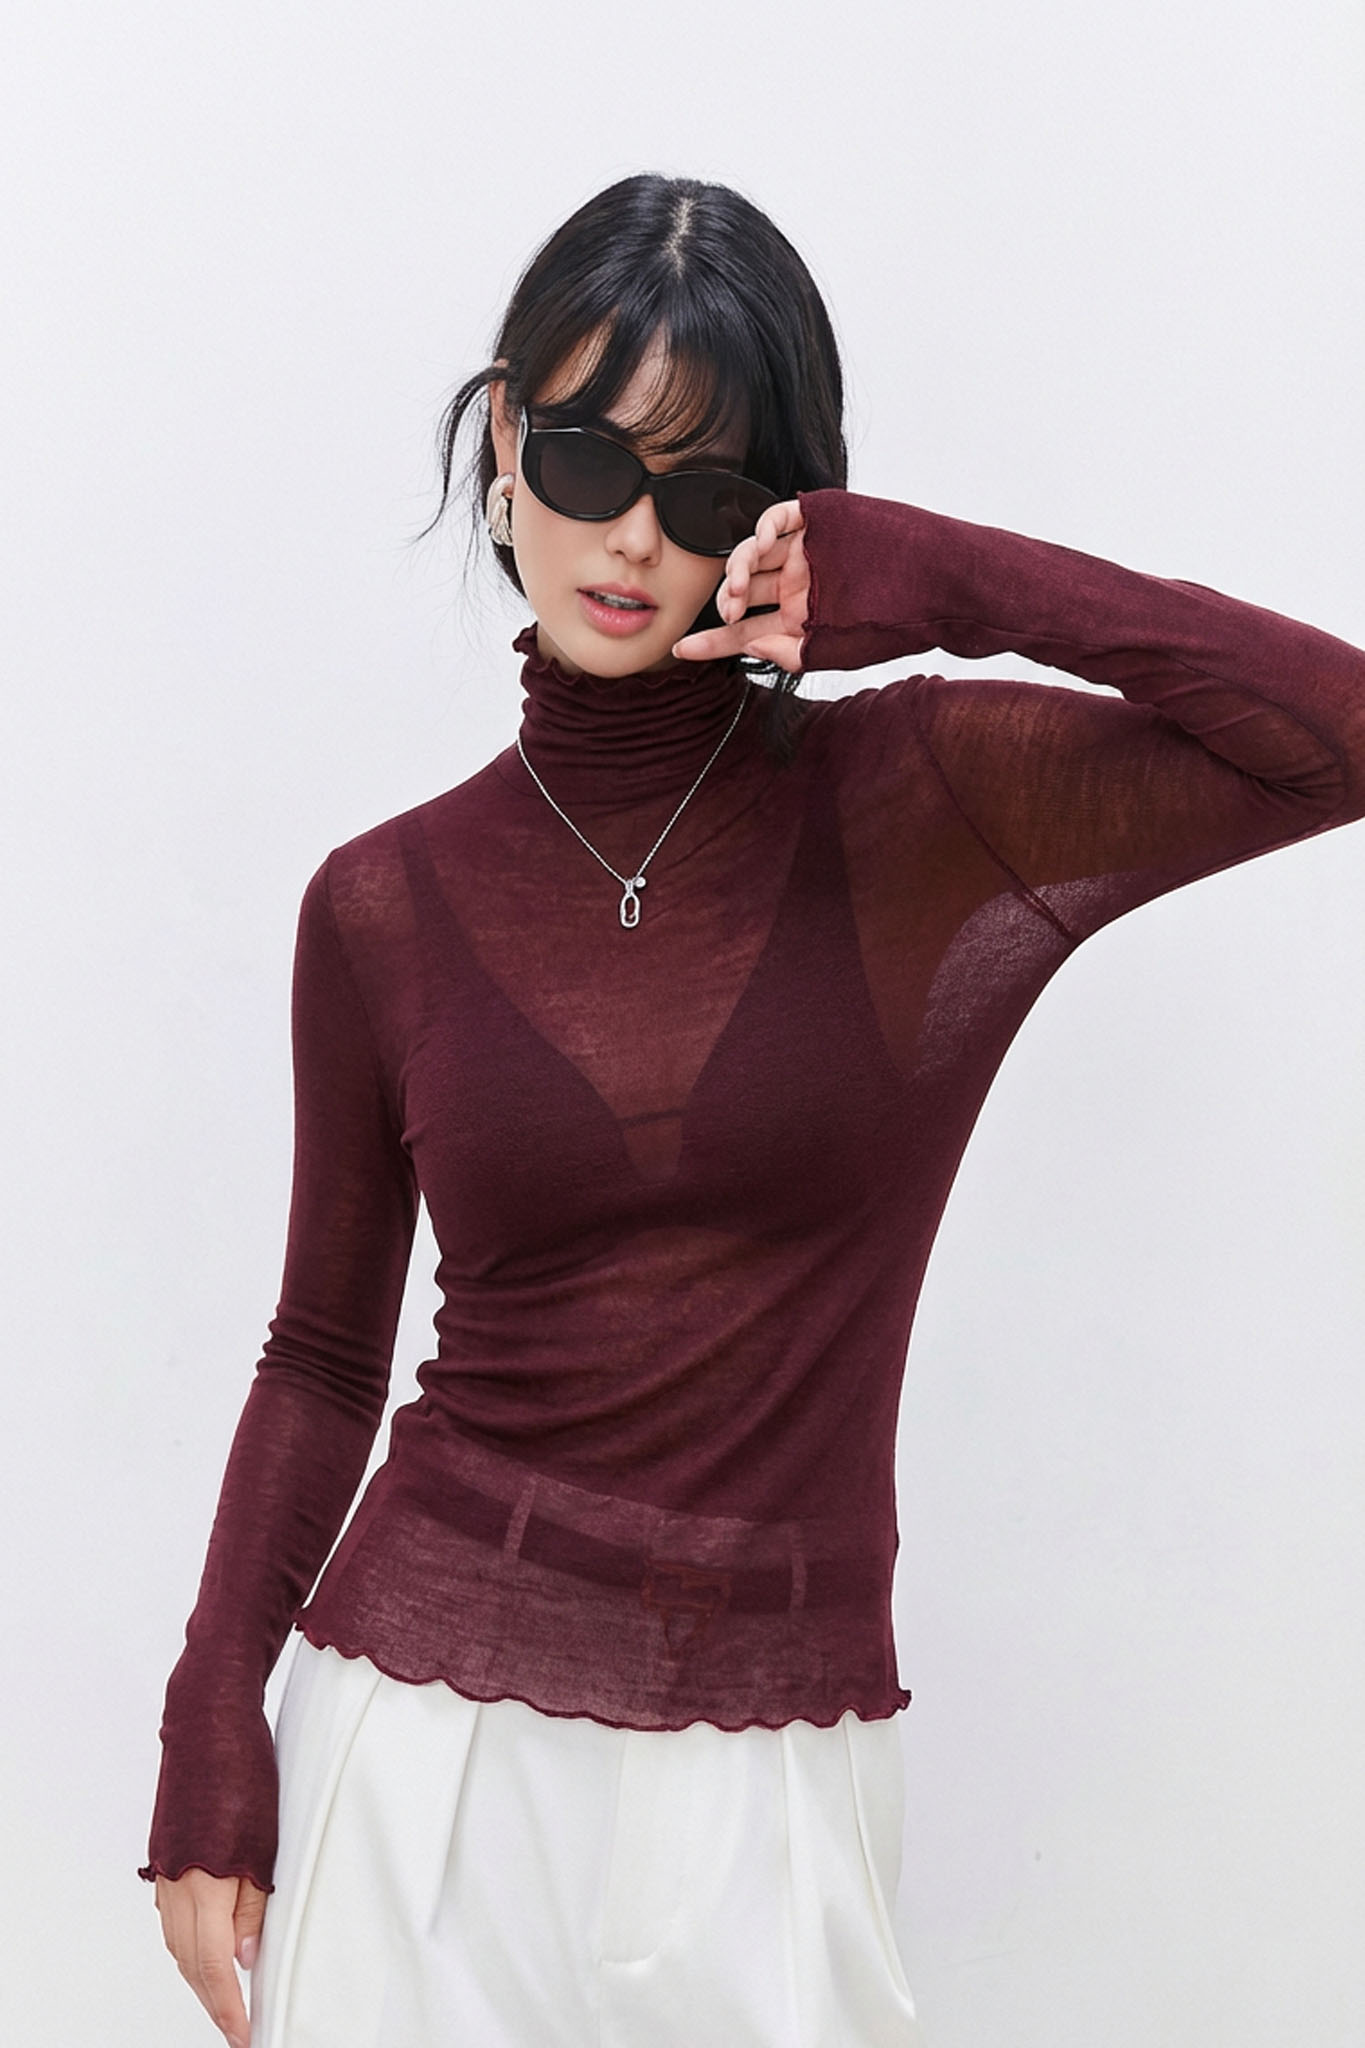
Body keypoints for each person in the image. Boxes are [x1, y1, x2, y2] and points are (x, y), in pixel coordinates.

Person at [140, 172, 1365, 2048]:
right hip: (422, 1749)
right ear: (502, 441)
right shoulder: (379, 904)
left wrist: (950, 581)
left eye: (707, 492)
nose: (633, 537)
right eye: (586, 459)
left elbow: (1331, 735)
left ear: (787, 516)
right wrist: (210, 1720)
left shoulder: (923, 809)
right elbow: (321, 1355)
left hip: (774, 1776)